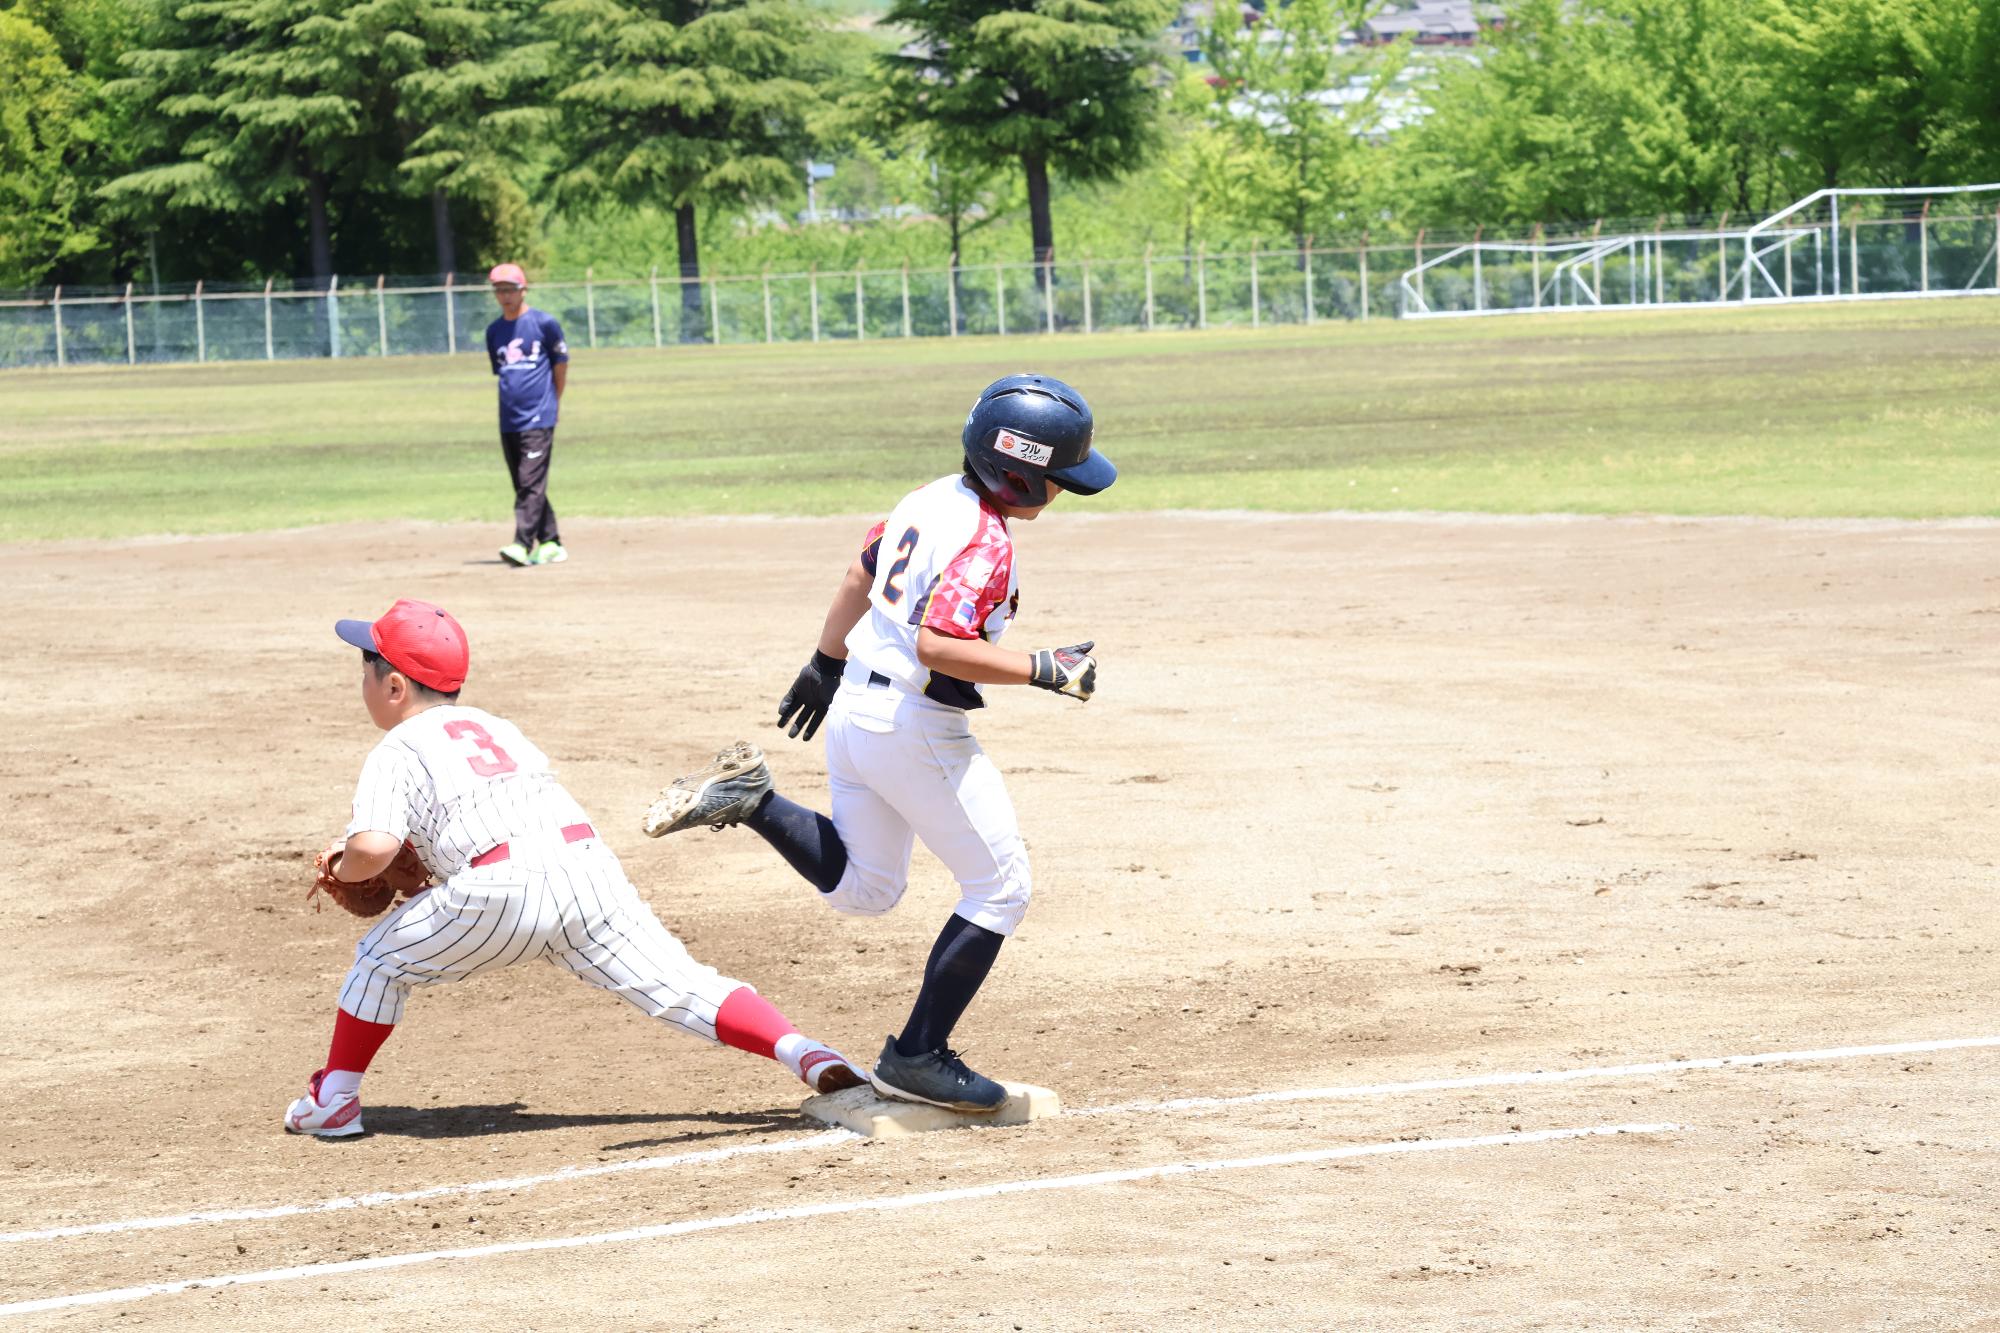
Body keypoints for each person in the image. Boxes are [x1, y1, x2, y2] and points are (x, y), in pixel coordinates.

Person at [642, 374, 1113, 1113]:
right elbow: (939, 644)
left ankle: (754, 800)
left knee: (868, 889)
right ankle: (918, 1055)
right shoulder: (986, 539)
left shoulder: (925, 499)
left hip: (857, 714)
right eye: (1055, 479)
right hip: (914, 727)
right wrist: (1043, 668)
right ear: (1018, 473)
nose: (1059, 492)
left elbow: (861, 572)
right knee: (1002, 887)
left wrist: (825, 661)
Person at [284, 597, 866, 1138]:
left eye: (365, 666)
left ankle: (334, 1098)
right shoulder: (499, 728)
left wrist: (348, 863)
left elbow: (375, 848)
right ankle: (802, 1050)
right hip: (587, 872)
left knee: (378, 962)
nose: (360, 679)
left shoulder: (398, 747)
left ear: (392, 685)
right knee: (684, 985)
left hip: (499, 890)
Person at [484, 263, 569, 568]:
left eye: (510, 289)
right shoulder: (494, 331)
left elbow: (560, 364)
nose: (505, 296)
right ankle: (550, 542)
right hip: (508, 418)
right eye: (499, 290)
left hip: (539, 416)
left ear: (523, 290)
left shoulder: (545, 324)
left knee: (529, 481)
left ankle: (522, 544)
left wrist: (553, 401)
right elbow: (503, 372)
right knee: (524, 483)